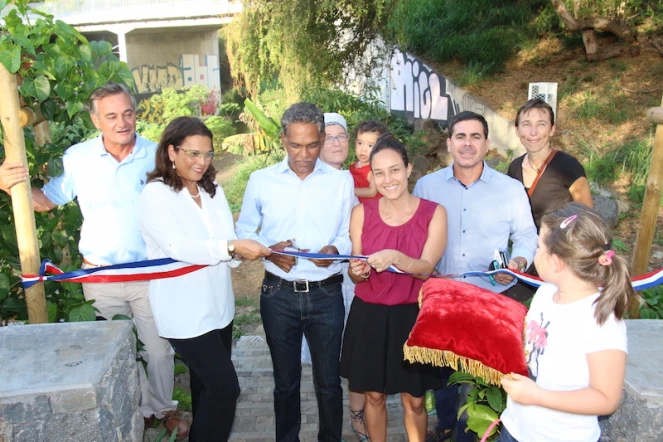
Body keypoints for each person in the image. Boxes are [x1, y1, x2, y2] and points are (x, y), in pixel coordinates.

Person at [0, 83, 189, 437]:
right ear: (95, 118)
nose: (123, 122)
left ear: (136, 113)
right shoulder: (78, 158)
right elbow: (47, 201)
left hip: (150, 275)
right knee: (116, 352)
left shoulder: (157, 155)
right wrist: (9, 183)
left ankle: (164, 409)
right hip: (100, 278)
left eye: (128, 113)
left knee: (159, 350)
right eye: (112, 116)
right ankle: (138, 409)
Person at [138, 117, 271, 441]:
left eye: (208, 154)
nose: (202, 162)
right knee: (226, 388)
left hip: (219, 308)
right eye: (193, 154)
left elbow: (227, 240)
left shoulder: (213, 190)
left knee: (206, 388)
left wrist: (252, 250)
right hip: (183, 312)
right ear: (171, 151)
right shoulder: (156, 194)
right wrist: (230, 247)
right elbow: (177, 246)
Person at [413, 111, 538, 442]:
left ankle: (470, 434)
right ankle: (444, 425)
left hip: (490, 299)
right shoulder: (427, 186)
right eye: (460, 137)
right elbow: (415, 235)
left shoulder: (510, 189)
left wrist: (520, 260)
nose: (467, 144)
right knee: (441, 374)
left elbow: (527, 234)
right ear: (449, 143)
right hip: (442, 297)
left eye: (475, 137)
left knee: (477, 378)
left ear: (487, 144)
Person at [236, 102, 354, 442]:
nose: (304, 154)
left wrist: (335, 251)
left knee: (329, 383)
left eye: (312, 145)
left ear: (322, 138)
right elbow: (245, 230)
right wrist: (270, 251)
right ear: (283, 139)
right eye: (295, 145)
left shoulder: (340, 182)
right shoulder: (261, 181)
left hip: (327, 293)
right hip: (278, 295)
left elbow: (348, 232)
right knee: (284, 383)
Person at [341, 135, 448, 442]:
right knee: (373, 395)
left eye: (395, 170)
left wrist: (398, 259)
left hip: (412, 316)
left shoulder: (434, 213)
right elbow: (357, 274)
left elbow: (427, 267)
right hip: (370, 316)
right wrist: (356, 270)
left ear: (409, 168)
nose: (388, 179)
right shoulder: (361, 213)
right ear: (371, 176)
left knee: (414, 399)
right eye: (379, 173)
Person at [498, 202, 635, 442]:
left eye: (539, 247)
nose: (534, 253)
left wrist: (538, 396)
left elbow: (606, 398)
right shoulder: (544, 294)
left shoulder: (601, 319)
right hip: (516, 427)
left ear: (557, 262)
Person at [315, 112, 369, 441]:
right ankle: (339, 417)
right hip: (327, 278)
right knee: (334, 355)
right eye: (329, 136)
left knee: (356, 345)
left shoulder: (350, 177)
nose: (336, 142)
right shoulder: (309, 179)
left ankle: (356, 412)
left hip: (357, 271)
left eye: (341, 136)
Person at [507, 98, 593, 230]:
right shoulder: (515, 168)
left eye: (541, 124)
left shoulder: (568, 166)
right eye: (526, 124)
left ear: (552, 129)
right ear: (517, 130)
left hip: (560, 247)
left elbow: (587, 219)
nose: (533, 132)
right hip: (525, 248)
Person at [349, 121, 388, 203]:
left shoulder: (374, 169)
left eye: (370, 145)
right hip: (356, 206)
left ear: (380, 147)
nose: (363, 149)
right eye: (360, 143)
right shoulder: (354, 165)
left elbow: (372, 192)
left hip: (372, 208)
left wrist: (349, 191)